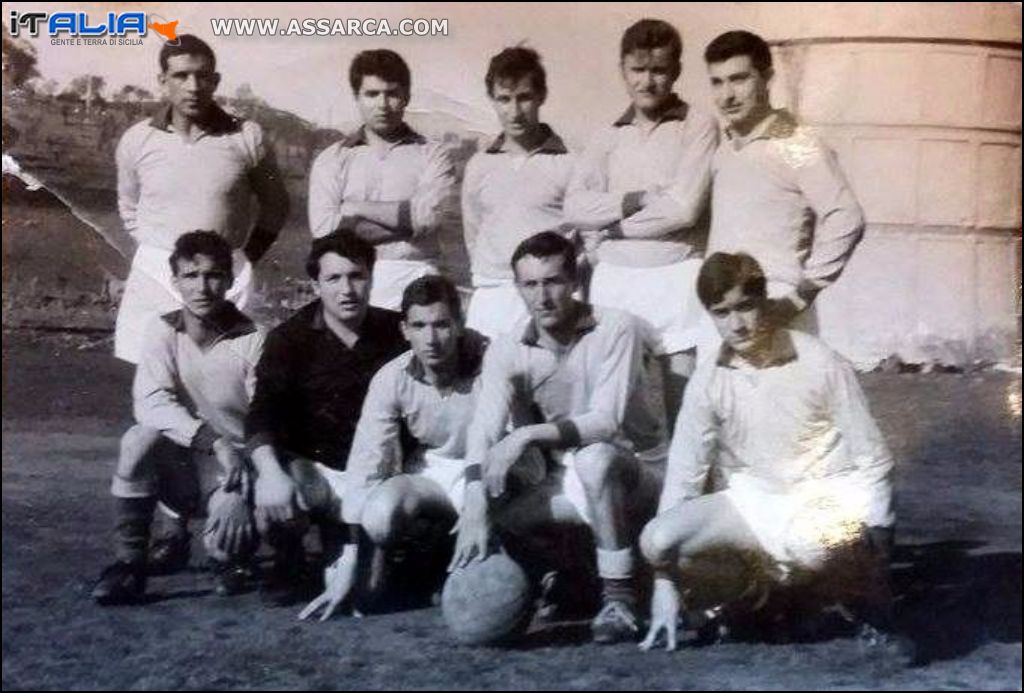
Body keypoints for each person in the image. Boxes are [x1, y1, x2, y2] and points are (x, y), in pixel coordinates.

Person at [639, 252, 894, 651]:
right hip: (752, 503)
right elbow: (684, 474)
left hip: (823, 497)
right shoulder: (708, 378)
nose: (737, 323)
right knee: (658, 540)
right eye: (721, 312)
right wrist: (664, 582)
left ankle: (845, 591)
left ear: (764, 301)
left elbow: (874, 458)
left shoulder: (819, 361)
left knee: (812, 548)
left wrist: (879, 543)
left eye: (745, 306)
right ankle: (759, 595)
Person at [451, 231, 666, 645]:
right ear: (517, 287)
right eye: (530, 284)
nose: (543, 297)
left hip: (637, 471)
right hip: (568, 478)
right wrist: (476, 501)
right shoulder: (509, 346)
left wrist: (528, 435)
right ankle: (561, 575)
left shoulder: (616, 327)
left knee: (594, 459)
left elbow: (605, 423)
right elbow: (485, 428)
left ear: (574, 282)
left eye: (553, 281)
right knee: (483, 498)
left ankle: (618, 597)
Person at [299, 275, 487, 621]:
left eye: (442, 325)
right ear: (404, 330)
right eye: (419, 326)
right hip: (432, 473)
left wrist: (482, 503)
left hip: (485, 474)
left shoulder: (490, 362)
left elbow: (513, 449)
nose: (431, 339)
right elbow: (367, 464)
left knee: (489, 586)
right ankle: (423, 557)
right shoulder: (391, 377)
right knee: (380, 516)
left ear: (459, 324)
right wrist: (350, 561)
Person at [92, 231, 265, 604]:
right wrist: (212, 440)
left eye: (214, 275)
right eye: (190, 276)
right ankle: (130, 564)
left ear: (231, 281)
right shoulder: (162, 330)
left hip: (235, 471)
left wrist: (243, 484)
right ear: (175, 282)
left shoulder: (254, 338)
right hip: (183, 465)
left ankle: (231, 555)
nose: (202, 287)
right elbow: (151, 403)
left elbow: (264, 421)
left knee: (227, 563)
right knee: (138, 439)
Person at [565, 18, 718, 428]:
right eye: (638, 70)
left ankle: (685, 492)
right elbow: (576, 207)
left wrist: (613, 228)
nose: (647, 82)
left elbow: (683, 209)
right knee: (616, 409)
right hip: (615, 280)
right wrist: (634, 199)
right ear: (622, 70)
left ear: (676, 72)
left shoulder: (698, 126)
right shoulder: (606, 134)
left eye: (659, 70)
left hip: (676, 277)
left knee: (683, 408)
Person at [244, 229, 407, 606]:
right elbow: (261, 414)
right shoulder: (289, 339)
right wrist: (270, 476)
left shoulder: (396, 331)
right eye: (333, 278)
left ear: (371, 277)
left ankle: (396, 553)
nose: (346, 289)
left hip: (375, 476)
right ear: (316, 283)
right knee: (275, 482)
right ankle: (290, 559)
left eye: (356, 276)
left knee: (373, 594)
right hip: (316, 474)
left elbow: (452, 347)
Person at [115, 34, 289, 365]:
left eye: (202, 76)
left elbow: (276, 205)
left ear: (215, 81)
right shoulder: (137, 139)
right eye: (181, 76)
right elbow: (128, 206)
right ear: (162, 81)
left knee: (227, 377)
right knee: (155, 377)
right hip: (156, 274)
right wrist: (158, 253)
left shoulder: (247, 136)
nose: (193, 86)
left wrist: (244, 259)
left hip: (225, 276)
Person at [704, 30, 865, 334]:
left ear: (766, 78)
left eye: (739, 79)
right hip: (722, 307)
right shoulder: (724, 150)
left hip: (774, 304)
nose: (727, 95)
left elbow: (846, 216)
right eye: (717, 82)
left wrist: (800, 295)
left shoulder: (794, 141)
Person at [308, 49, 457, 310]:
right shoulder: (333, 159)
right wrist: (409, 223)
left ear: (407, 97)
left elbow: (429, 217)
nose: (382, 104)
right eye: (372, 94)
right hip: (351, 282)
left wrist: (355, 208)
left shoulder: (433, 153)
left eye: (392, 93)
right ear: (357, 97)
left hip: (418, 282)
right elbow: (324, 231)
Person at [462, 46, 577, 339]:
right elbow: (473, 235)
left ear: (541, 96)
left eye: (524, 98)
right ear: (492, 100)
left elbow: (585, 240)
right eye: (504, 99)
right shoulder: (479, 165)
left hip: (548, 297)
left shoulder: (571, 162)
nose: (514, 111)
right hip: (492, 299)